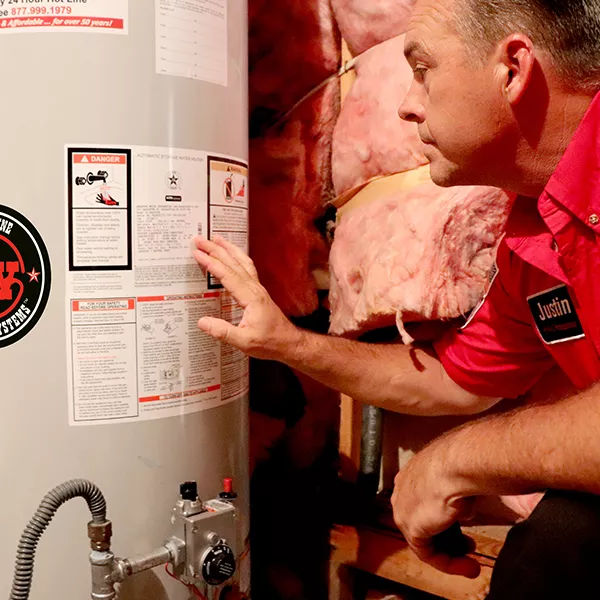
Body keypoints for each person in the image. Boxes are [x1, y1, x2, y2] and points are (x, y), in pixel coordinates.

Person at [193, 0, 600, 597]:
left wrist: (453, 459)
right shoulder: (534, 233)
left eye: (423, 68)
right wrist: (285, 342)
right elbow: (450, 377)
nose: (407, 104)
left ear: (511, 68)